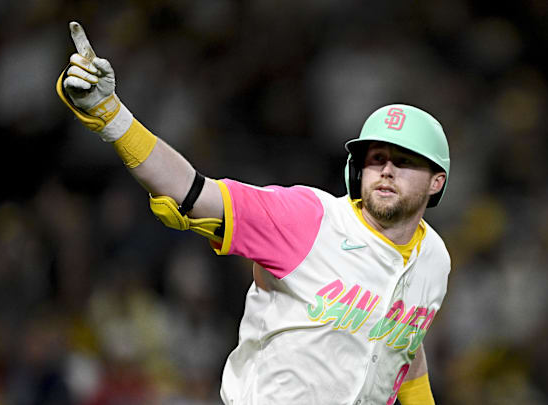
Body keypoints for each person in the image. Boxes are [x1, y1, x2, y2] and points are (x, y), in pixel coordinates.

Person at [57, 21, 451, 405]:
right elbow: (190, 190)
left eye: (403, 162)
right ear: (356, 169)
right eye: (376, 158)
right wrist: (112, 115)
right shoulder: (308, 219)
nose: (385, 170)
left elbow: (402, 347)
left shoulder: (434, 259)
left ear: (436, 182)